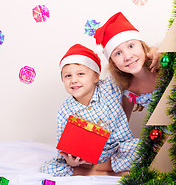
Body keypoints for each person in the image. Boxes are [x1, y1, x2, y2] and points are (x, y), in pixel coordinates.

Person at [41, 44, 139, 176]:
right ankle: (103, 172)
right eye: (67, 76)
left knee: (139, 147)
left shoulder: (108, 88)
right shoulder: (65, 111)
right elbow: (64, 147)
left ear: (95, 77)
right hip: (86, 160)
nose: (74, 80)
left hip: (117, 150)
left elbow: (123, 71)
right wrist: (72, 162)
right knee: (47, 169)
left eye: (80, 74)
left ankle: (98, 170)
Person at [94, 12, 160, 120]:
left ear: (142, 46)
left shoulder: (163, 64)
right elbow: (122, 124)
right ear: (113, 63)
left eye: (131, 46)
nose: (127, 57)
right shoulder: (129, 91)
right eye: (118, 53)